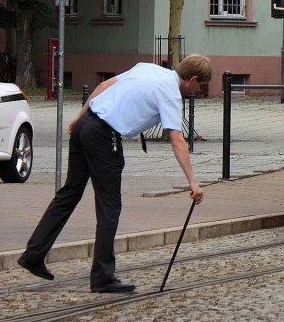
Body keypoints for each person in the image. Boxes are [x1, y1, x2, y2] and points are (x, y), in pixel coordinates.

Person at [17, 54, 212, 292]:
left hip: (86, 124)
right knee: (109, 206)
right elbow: (177, 140)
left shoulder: (149, 69)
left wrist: (78, 117)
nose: (197, 90)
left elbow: (103, 86)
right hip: (104, 137)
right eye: (199, 86)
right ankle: (102, 276)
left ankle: (33, 254)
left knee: (69, 192)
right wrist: (193, 181)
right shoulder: (170, 93)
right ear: (192, 79)